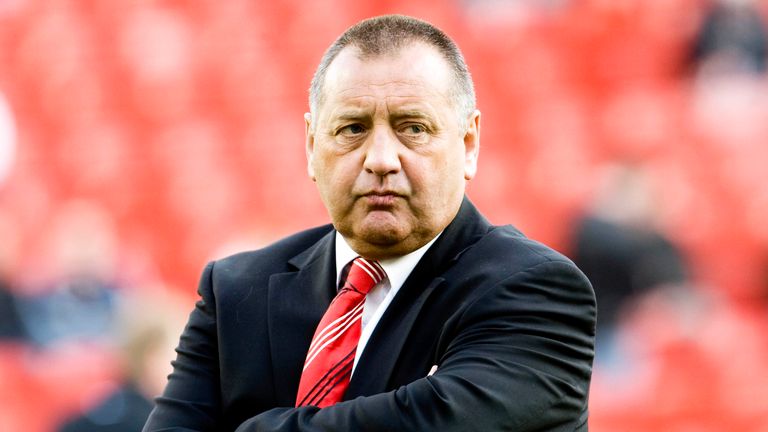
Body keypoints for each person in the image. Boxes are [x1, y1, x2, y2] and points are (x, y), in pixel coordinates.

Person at [144, 15, 596, 432]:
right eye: (353, 129)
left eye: (413, 127)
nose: (381, 160)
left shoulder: (537, 291)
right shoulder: (235, 290)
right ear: (311, 145)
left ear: (469, 143)